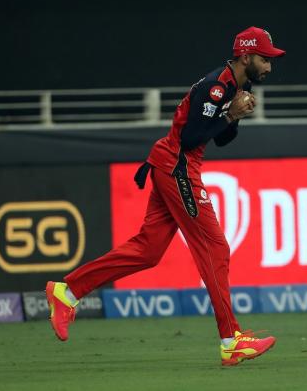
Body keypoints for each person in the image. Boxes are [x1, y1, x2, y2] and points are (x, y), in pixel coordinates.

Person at [45, 26, 285, 366]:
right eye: (265, 59)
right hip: (179, 166)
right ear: (245, 56)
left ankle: (66, 293)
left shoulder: (235, 84)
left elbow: (220, 140)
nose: (269, 67)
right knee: (214, 247)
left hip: (172, 164)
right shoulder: (217, 87)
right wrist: (230, 114)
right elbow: (190, 140)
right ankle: (231, 340)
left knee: (148, 250)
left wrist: (234, 119)